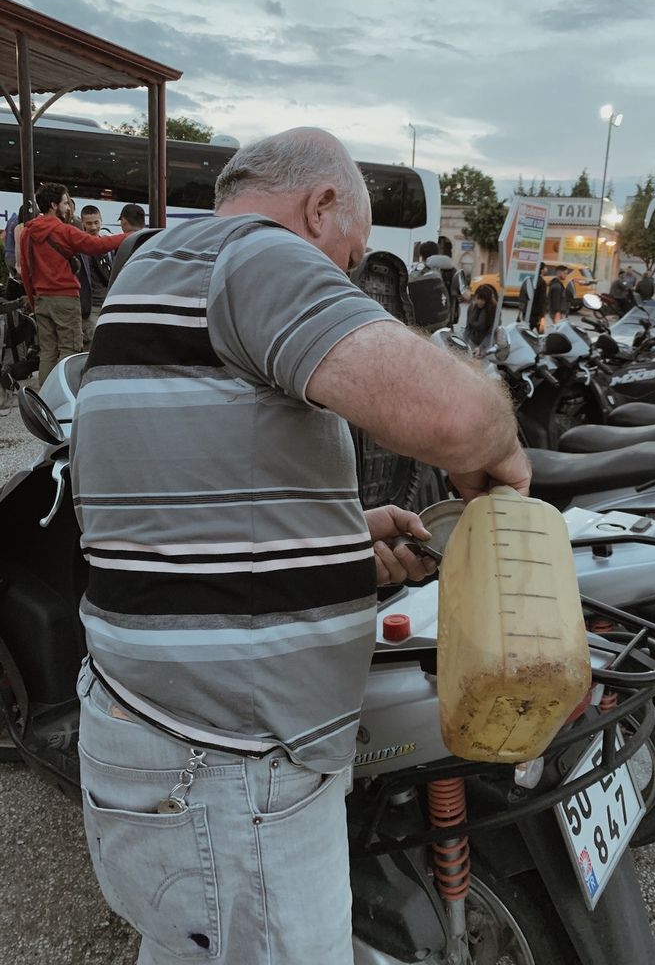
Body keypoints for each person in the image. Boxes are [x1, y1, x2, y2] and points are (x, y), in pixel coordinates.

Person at [70, 127, 531, 965]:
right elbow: (455, 419)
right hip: (227, 766)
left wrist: (343, 544)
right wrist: (499, 446)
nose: (346, 278)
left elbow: (184, 512)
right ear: (320, 206)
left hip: (177, 750)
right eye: (349, 261)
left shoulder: (161, 268)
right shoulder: (253, 255)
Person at [18, 183, 125, 383]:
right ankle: (64, 400)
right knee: (70, 350)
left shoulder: (28, 232)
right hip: (65, 299)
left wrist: (34, 301)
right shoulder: (63, 231)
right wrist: (129, 235)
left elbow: (26, 271)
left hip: (42, 299)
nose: (68, 208)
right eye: (66, 203)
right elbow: (97, 245)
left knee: (48, 353)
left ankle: (45, 402)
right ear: (53, 205)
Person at [77, 205, 114, 349]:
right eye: (89, 223)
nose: (93, 227)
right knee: (92, 349)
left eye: (96, 222)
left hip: (108, 304)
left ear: (101, 221)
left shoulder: (108, 244)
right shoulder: (79, 246)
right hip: (90, 308)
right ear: (82, 223)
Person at [464, 282, 498, 352]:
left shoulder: (493, 310)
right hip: (472, 341)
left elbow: (491, 333)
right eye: (478, 298)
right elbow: (468, 328)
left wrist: (481, 347)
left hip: (487, 344)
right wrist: (464, 343)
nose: (479, 302)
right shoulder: (472, 307)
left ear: (487, 301)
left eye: (482, 300)